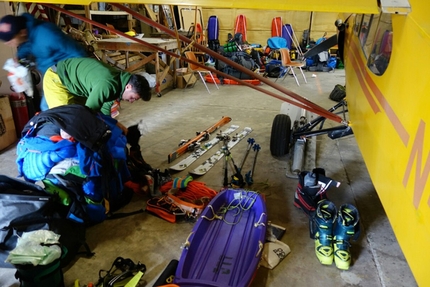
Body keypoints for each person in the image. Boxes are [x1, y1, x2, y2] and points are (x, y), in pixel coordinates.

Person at [0, 13, 88, 110]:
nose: (8, 43)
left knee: (51, 111)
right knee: (49, 111)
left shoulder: (47, 34)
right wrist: (19, 58)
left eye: (10, 40)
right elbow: (28, 47)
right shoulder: (29, 35)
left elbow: (78, 53)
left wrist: (79, 80)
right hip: (51, 76)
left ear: (22, 32)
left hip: (64, 76)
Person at [43, 57, 152, 115]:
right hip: (57, 79)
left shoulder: (119, 81)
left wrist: (112, 125)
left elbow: (105, 106)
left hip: (72, 82)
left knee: (79, 113)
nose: (131, 101)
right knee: (67, 122)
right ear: (128, 87)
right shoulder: (108, 84)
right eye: (133, 97)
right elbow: (88, 112)